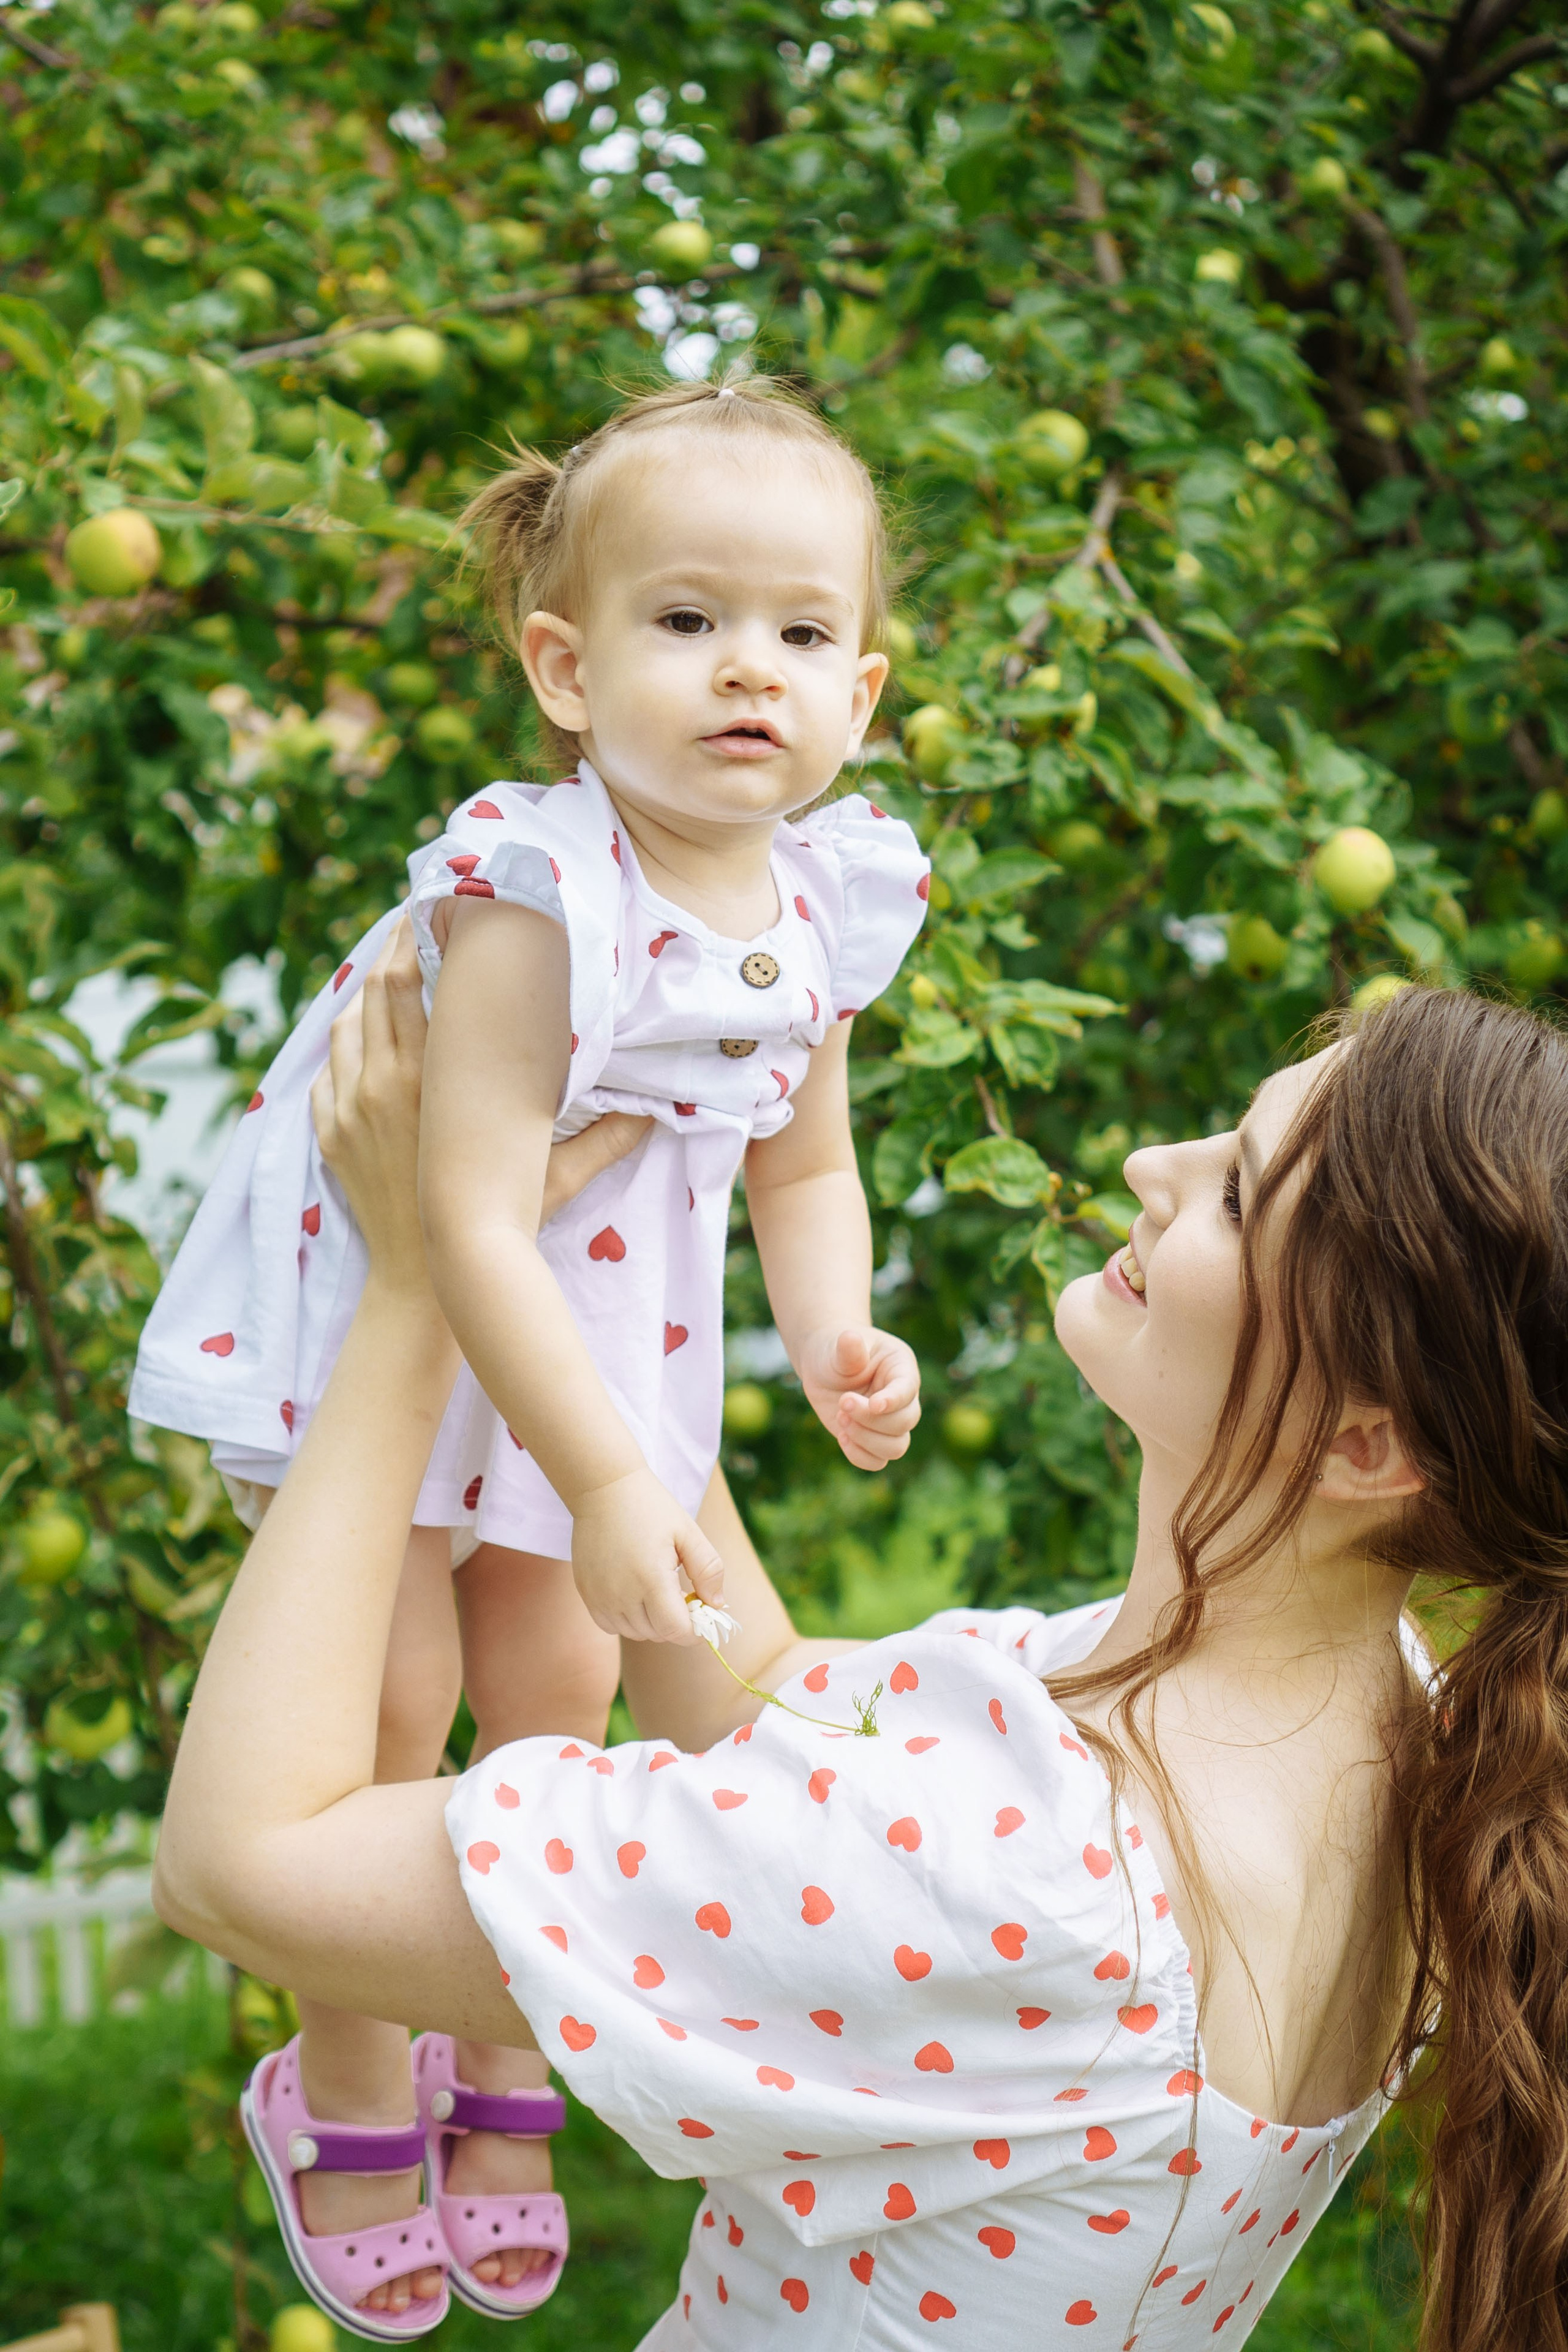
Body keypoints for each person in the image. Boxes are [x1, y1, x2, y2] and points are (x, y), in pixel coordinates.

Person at [154, 935, 1568, 2352]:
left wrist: (414, 1287)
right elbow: (754, 1683)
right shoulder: (1395, 1730)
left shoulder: (1004, 1869)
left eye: (1236, 1190)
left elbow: (242, 1866)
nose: (1153, 1164)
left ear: (1364, 1445)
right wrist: (599, 1274)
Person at [129, 377, 929, 2324]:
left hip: (594, 1344)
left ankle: (502, 2063)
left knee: (556, 1704)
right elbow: (468, 1220)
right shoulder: (536, 890)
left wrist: (837, 1325)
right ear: (565, 669)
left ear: (866, 691)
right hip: (394, 1322)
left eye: (802, 634)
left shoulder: (829, 897)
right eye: (688, 621)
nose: (752, 670)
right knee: (388, 1715)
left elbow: (800, 1161)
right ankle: (335, 2078)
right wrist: (604, 1479)